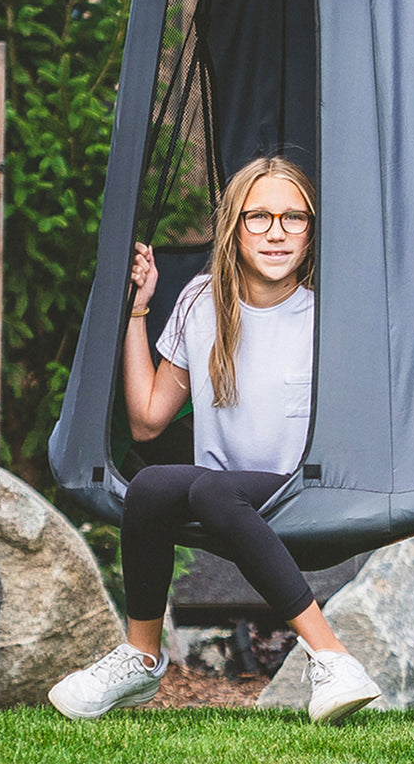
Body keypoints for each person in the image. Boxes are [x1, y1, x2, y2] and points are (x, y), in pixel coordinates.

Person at [48, 156, 380, 723]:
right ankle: (141, 657)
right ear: (234, 227)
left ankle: (332, 656)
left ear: (312, 230)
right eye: (259, 218)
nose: (277, 232)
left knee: (208, 491)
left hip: (305, 490)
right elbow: (148, 420)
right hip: (221, 497)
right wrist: (137, 310)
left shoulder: (328, 313)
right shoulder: (202, 302)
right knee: (151, 486)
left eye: (294, 218)